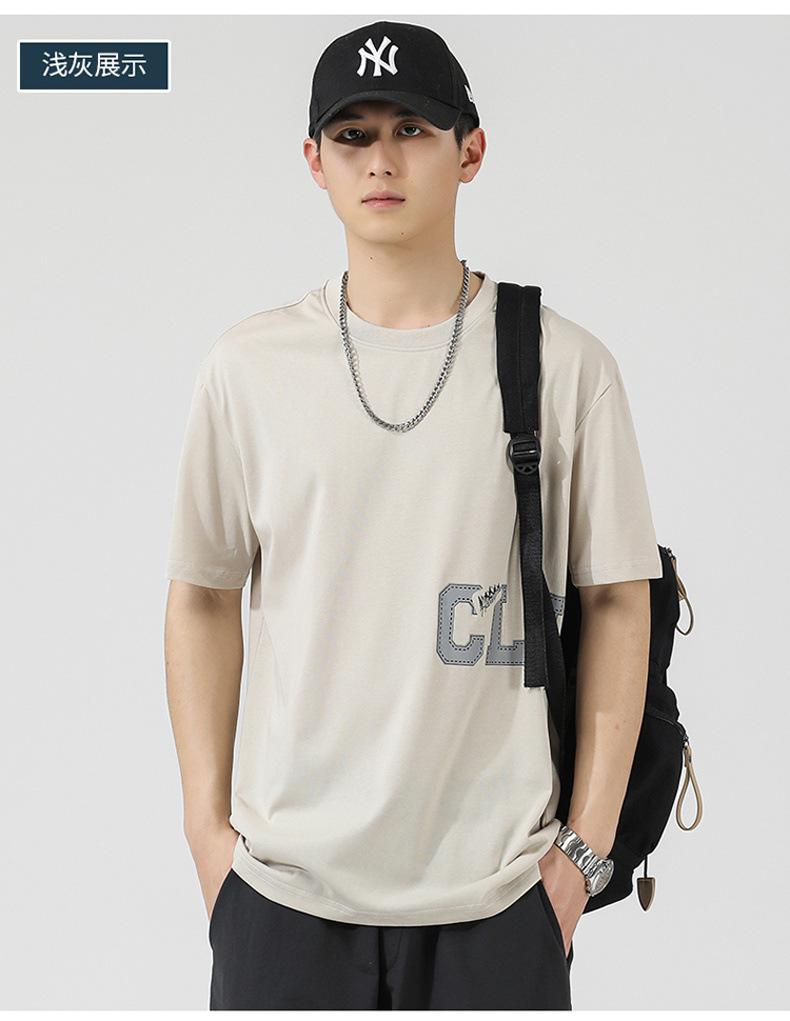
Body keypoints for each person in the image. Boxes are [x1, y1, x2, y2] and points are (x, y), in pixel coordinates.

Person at [164, 19, 662, 1010]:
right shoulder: (249, 368)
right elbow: (203, 595)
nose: (380, 160)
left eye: (412, 129)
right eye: (352, 135)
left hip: (499, 896)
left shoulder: (564, 365)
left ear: (469, 150)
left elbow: (617, 596)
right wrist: (207, 837)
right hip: (282, 894)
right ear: (314, 161)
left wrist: (581, 856)